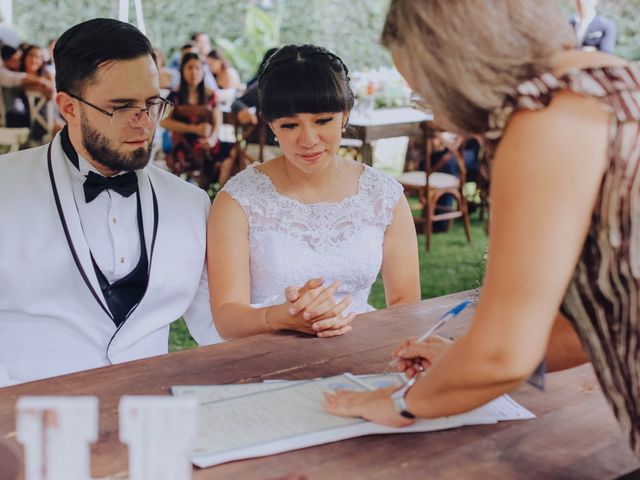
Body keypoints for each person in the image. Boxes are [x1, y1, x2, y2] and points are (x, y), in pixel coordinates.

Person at [324, 0, 640, 459]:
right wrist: (460, 359)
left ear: (461, 60)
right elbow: (593, 317)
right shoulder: (617, 83)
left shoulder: (546, 116)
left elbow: (502, 355)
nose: (434, 117)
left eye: (427, 94)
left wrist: (398, 403)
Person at [0, 18, 221, 387]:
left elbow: (218, 324)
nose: (144, 123)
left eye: (152, 104)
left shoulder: (191, 203)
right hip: (22, 421)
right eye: (121, 107)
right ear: (69, 108)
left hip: (148, 418)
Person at [208, 44, 420, 340]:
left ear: (344, 115)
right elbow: (227, 319)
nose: (308, 140)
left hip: (360, 350)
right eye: (290, 125)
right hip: (268, 362)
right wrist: (283, 316)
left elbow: (406, 306)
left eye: (323, 121)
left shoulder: (383, 196)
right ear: (271, 125)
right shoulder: (237, 201)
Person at [160, 52, 235, 188]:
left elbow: (217, 123)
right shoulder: (175, 95)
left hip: (207, 142)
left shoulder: (211, 94)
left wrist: (212, 139)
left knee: (233, 151)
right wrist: (193, 129)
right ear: (182, 70)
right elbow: (163, 121)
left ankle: (220, 193)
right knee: (190, 155)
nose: (194, 72)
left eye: (197, 68)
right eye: (189, 68)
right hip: (183, 143)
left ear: (203, 71)